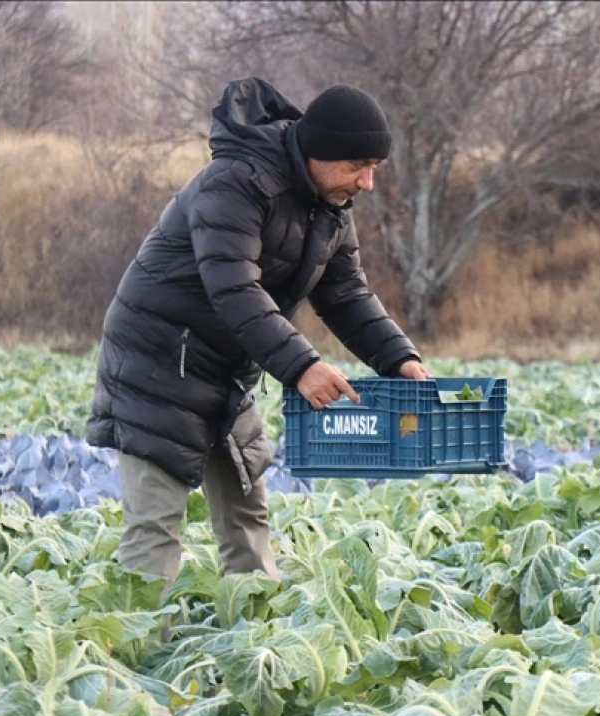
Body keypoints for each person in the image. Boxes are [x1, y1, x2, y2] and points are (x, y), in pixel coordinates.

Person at [86, 77, 429, 590]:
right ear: (320, 153)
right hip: (158, 361)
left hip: (231, 364)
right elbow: (233, 289)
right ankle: (135, 654)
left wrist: (399, 358)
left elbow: (347, 297)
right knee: (156, 525)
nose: (367, 184)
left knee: (247, 512)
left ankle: (255, 637)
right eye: (358, 167)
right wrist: (303, 367)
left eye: (374, 169)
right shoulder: (235, 182)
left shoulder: (329, 208)